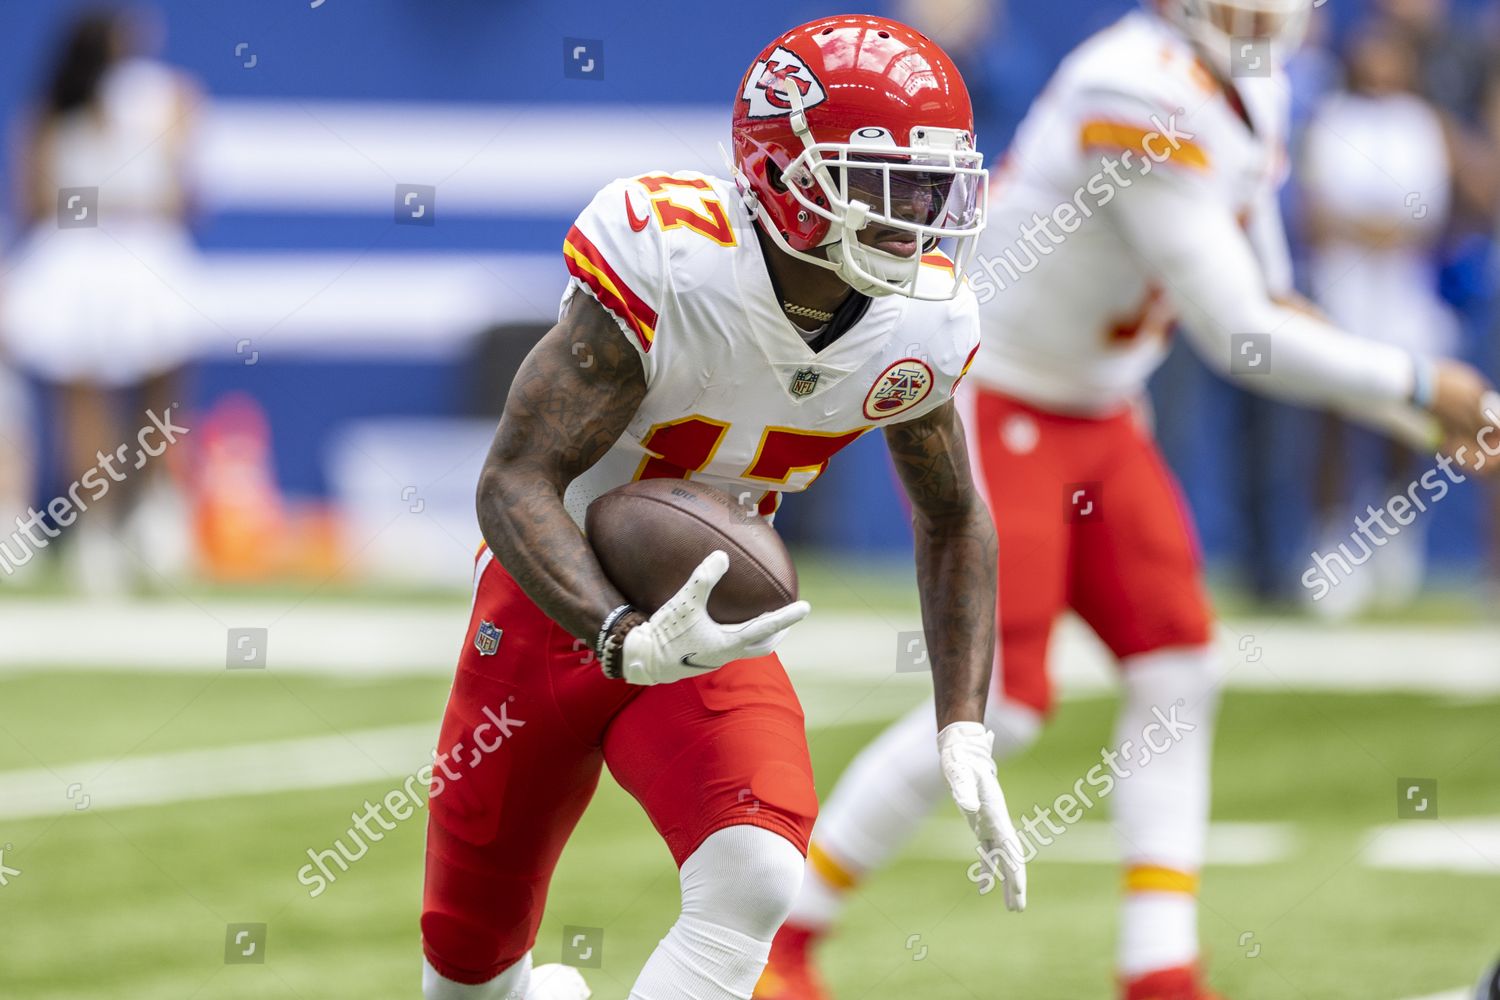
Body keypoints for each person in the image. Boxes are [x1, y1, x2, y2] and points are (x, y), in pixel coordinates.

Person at [759, 2, 1499, 999]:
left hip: (1100, 407)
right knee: (1002, 706)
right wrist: (1419, 387)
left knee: (1178, 663)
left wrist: (1425, 421)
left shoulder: (1251, 77)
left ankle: (1159, 968)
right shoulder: (1137, 87)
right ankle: (787, 938)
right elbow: (1238, 331)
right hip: (1004, 394)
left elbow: (1273, 296)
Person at [420, 17, 1027, 1000]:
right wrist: (617, 632)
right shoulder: (671, 262)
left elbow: (954, 514)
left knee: (757, 870)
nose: (913, 219)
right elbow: (513, 480)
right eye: (879, 188)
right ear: (785, 174)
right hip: (548, 607)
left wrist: (962, 724)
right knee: (467, 975)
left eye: (929, 187)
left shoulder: (920, 323)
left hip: (706, 615)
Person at [1, 6, 200, 593]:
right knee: (86, 399)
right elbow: (35, 200)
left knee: (155, 396)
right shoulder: (56, 111)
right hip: (79, 264)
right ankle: (100, 532)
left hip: (141, 260)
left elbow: (178, 194)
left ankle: (151, 519)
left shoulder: (168, 98)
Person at [1302, 20, 1457, 616]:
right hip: (1341, 304)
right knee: (1335, 424)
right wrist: (1369, 228)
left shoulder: (1420, 122)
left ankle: (1393, 541)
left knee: (1403, 422)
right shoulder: (1333, 116)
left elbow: (1427, 218)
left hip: (1403, 304)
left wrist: (1372, 227)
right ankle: (1329, 547)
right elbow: (1318, 215)